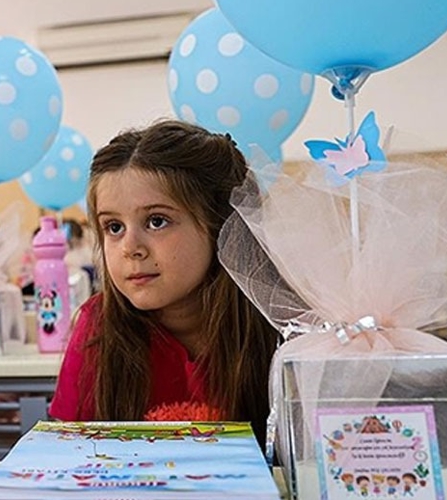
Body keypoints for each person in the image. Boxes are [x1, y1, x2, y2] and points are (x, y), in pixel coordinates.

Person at [49, 121, 278, 442]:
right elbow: (67, 451)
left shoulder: (281, 329)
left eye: (157, 221)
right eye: (114, 227)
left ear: (222, 226)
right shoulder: (98, 327)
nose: (130, 248)